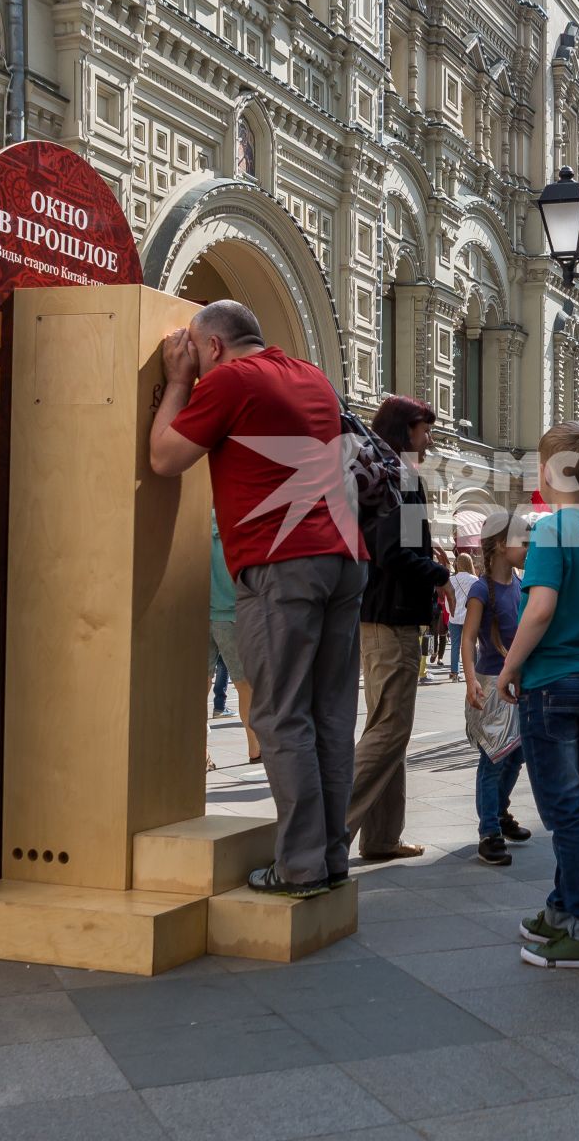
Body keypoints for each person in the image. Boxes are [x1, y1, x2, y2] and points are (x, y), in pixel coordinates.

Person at [149, 299, 367, 899]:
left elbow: (164, 458)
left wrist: (177, 382)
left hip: (281, 564)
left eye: (194, 348)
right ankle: (329, 858)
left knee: (278, 714)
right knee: (330, 716)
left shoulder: (231, 381)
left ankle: (298, 868)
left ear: (213, 347)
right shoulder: (311, 375)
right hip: (345, 561)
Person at [502, 421, 579, 967]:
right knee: (577, 801)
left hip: (549, 685)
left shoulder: (550, 530)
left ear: (547, 472)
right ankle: (561, 909)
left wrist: (510, 665)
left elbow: (540, 607)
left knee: (564, 809)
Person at [350, 396, 450, 862]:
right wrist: (437, 573)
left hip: (381, 616)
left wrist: (428, 560)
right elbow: (392, 553)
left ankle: (382, 837)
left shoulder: (387, 472)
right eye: (423, 430)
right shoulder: (402, 477)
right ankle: (326, 832)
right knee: (390, 729)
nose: (429, 439)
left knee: (389, 727)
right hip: (392, 618)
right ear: (403, 431)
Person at [464, 525, 533, 866]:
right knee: (493, 758)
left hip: (517, 684)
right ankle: (489, 831)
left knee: (517, 754)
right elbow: (467, 637)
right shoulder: (480, 589)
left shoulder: (522, 585)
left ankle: (499, 811)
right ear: (502, 545)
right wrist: (469, 680)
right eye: (524, 541)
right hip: (490, 685)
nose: (530, 547)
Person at [208, 516, 260, 764]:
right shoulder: (235, 523)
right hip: (231, 614)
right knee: (245, 686)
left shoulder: (193, 526)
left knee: (200, 687)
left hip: (198, 615)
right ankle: (254, 747)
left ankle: (201, 751)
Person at [447, 553, 478, 681]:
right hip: (469, 617)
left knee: (455, 645)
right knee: (471, 644)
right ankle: (473, 672)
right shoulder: (475, 580)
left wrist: (451, 612)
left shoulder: (451, 580)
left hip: (454, 617)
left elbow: (448, 599)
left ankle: (454, 672)